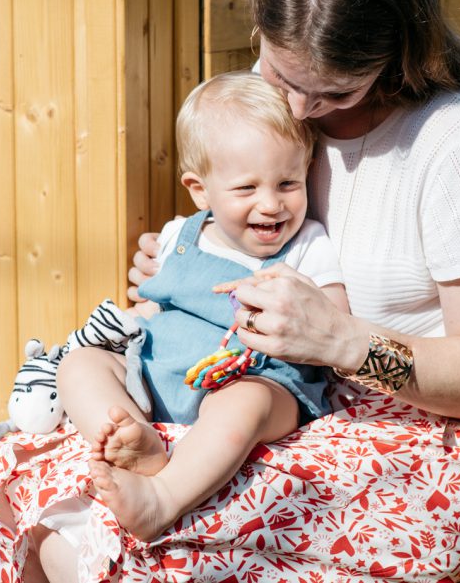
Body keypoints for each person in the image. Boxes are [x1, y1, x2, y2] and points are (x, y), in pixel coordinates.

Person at [0, 0, 460, 583]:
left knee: (134, 543)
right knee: (12, 470)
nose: (304, 110)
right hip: (285, 402)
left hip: (425, 433)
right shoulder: (268, 96)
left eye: (336, 89)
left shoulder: (453, 145)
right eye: (285, 77)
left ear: (397, 51)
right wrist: (193, 258)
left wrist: (345, 342)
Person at [58, 70, 348, 543]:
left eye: (288, 183)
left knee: (244, 403)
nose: (271, 204)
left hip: (259, 379)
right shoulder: (180, 235)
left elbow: (332, 326)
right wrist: (121, 333)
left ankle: (163, 498)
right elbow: (153, 305)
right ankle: (132, 437)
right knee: (79, 364)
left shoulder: (307, 245)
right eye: (247, 189)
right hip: (159, 372)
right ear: (199, 189)